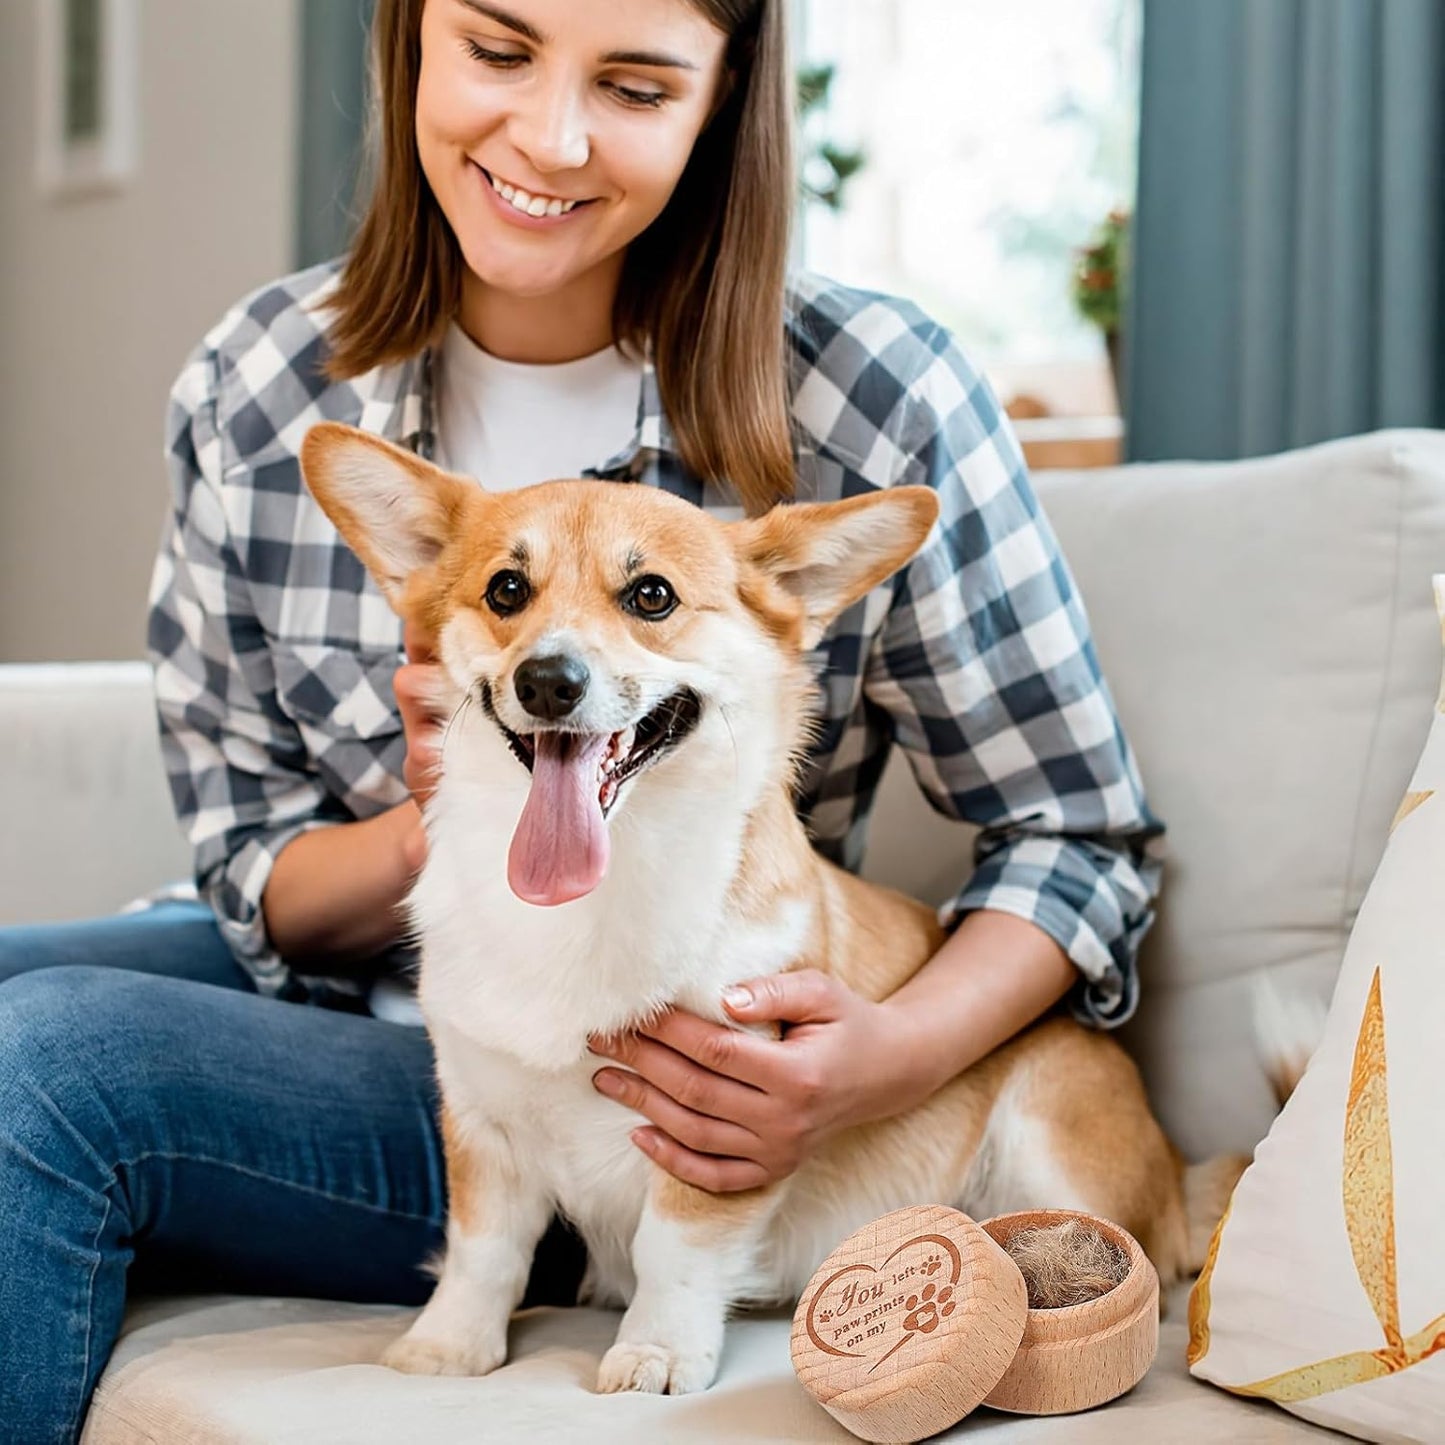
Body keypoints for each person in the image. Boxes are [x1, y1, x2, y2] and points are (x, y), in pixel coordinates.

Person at [0, 0, 1162, 1439]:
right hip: (388, 990)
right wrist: (448, 807)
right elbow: (256, 870)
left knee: (45, 1063)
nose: (548, 137)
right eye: (496, 49)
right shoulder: (260, 382)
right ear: (407, 41)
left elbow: (1076, 834)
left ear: (723, 101)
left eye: (631, 82)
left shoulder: (870, 391)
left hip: (643, 1062)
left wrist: (878, 1063)